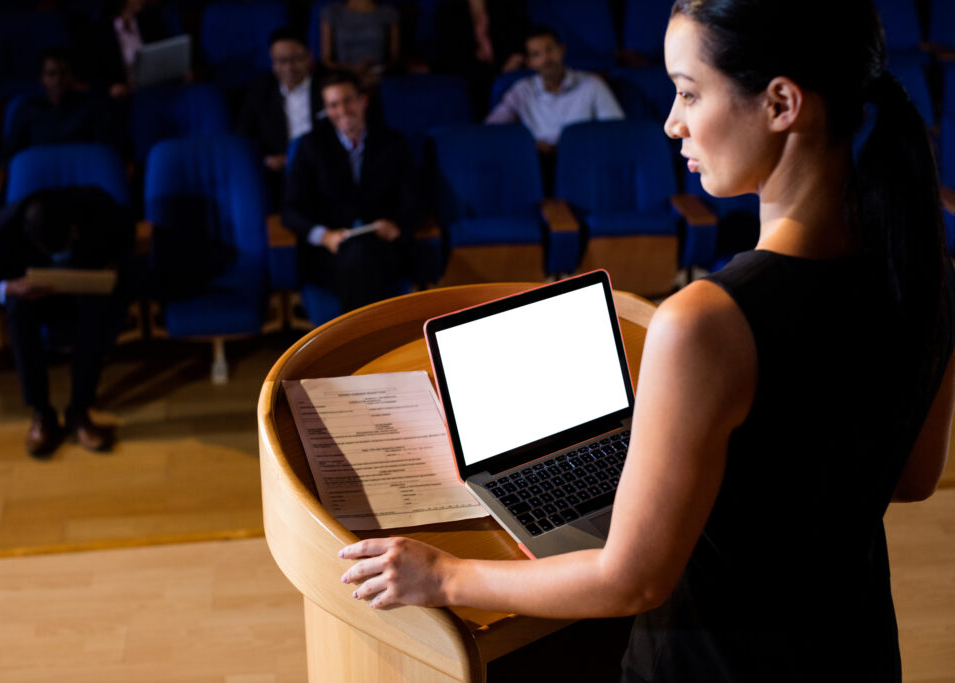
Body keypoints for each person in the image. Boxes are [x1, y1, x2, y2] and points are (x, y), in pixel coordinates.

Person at [338, 1, 955, 680]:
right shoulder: (926, 273)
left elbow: (630, 581)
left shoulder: (707, 322)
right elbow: (913, 476)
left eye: (689, 91)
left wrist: (445, 575)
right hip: (854, 652)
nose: (671, 121)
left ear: (781, 103)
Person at [0, 187, 134, 458]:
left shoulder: (98, 207)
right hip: (34, 299)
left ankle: (79, 412)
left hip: (85, 292)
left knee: (97, 306)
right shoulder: (0, 229)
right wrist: (10, 287)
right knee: (17, 309)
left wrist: (112, 270)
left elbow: (127, 244)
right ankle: (41, 414)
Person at [282, 70, 418, 314]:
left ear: (363, 100)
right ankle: (376, 343)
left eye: (348, 100)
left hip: (381, 245)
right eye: (333, 105)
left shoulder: (393, 143)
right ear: (326, 109)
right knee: (356, 262)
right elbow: (291, 210)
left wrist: (396, 225)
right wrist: (324, 236)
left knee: (366, 259)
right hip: (330, 252)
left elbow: (413, 198)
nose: (342, 110)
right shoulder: (311, 146)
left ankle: (357, 345)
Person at [485, 25, 624, 154]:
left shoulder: (592, 84)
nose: (546, 58)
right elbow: (491, 130)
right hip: (536, 161)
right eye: (536, 54)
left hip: (582, 157)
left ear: (562, 50)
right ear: (529, 62)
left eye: (550, 49)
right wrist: (527, 145)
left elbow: (616, 130)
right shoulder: (521, 90)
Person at [237, 27, 324, 210]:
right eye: (281, 61)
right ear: (272, 61)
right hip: (280, 174)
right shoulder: (259, 91)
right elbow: (246, 136)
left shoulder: (328, 86)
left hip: (325, 167)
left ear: (309, 56)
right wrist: (267, 159)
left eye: (295, 59)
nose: (289, 68)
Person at [4, 47, 115, 159]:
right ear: (42, 78)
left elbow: (106, 150)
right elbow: (12, 154)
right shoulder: (27, 109)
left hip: (82, 172)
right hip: (41, 173)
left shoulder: (91, 107)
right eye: (51, 74)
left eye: (64, 73)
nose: (58, 80)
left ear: (73, 76)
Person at [320, 0, 400, 84]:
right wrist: (353, 69)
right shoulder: (332, 12)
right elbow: (327, 60)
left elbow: (395, 58)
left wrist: (376, 69)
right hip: (344, 74)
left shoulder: (388, 12)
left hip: (378, 74)